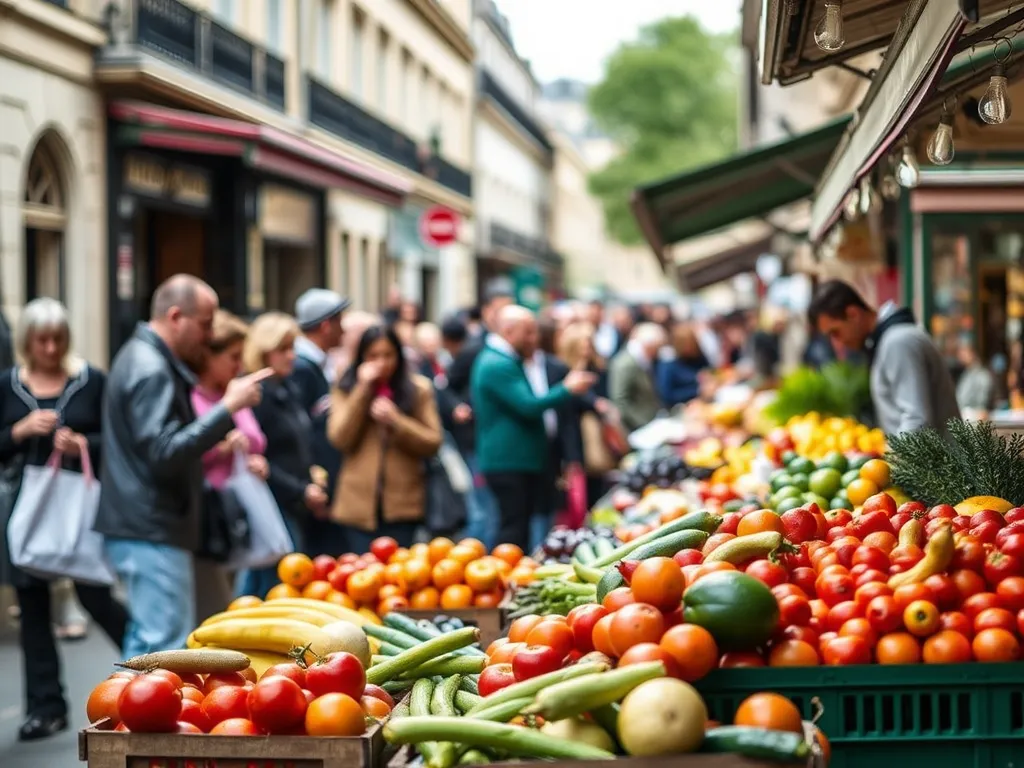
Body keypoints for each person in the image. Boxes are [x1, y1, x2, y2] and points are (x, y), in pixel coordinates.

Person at [97, 275, 270, 658]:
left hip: (148, 523)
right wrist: (228, 408)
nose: (208, 336)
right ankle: (126, 717)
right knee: (161, 646)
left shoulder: (145, 359)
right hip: (151, 524)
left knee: (153, 642)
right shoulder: (151, 366)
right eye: (205, 323)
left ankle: (122, 714)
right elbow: (163, 452)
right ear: (176, 317)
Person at [0, 298, 127, 741]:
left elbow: (118, 437)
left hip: (79, 507)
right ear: (27, 342)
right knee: (32, 606)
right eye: (42, 340)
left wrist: (83, 445)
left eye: (58, 339)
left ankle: (148, 670)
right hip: (26, 510)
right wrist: (18, 432)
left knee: (97, 596)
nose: (51, 349)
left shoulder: (91, 380)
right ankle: (45, 707)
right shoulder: (8, 385)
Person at [470, 306, 594, 549]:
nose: (534, 339)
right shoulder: (497, 363)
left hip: (517, 460)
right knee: (513, 529)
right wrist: (566, 389)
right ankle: (504, 579)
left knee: (519, 526)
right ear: (507, 331)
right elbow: (528, 405)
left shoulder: (503, 359)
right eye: (527, 332)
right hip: (508, 461)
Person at [328, 325, 442, 552]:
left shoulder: (418, 389)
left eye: (388, 355)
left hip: (403, 506)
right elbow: (339, 438)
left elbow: (433, 441)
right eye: (373, 356)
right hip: (357, 506)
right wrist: (362, 391)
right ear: (361, 358)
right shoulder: (346, 388)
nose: (381, 363)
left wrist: (396, 421)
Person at [242, 312, 327, 597]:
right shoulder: (258, 395)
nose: (291, 356)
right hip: (274, 505)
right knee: (272, 589)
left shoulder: (287, 388)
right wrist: (302, 490)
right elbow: (259, 461)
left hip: (292, 503)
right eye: (283, 349)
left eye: (292, 348)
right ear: (264, 352)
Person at [191, 310, 269, 621]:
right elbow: (188, 450)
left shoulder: (232, 390)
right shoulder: (192, 396)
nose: (239, 366)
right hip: (209, 516)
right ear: (209, 356)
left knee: (231, 603)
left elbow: (256, 440)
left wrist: (255, 459)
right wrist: (224, 446)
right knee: (215, 610)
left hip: (238, 513)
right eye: (233, 357)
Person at [808, 280, 961, 435]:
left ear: (853, 314)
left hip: (937, 459)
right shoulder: (891, 340)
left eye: (835, 332)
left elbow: (916, 420)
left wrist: (892, 458)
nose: (837, 343)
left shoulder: (897, 342)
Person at [445, 288, 513, 548]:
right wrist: (457, 407)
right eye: (499, 310)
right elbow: (446, 385)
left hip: (499, 442)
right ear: (486, 313)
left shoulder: (507, 347)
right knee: (484, 509)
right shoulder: (475, 348)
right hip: (476, 440)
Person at [291, 288, 349, 558]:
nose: (344, 329)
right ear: (326, 325)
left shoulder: (316, 365)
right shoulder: (302, 368)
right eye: (340, 321)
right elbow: (304, 432)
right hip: (316, 487)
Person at [524, 319, 584, 550]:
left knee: (548, 508)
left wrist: (572, 459)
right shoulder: (511, 366)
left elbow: (567, 419)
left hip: (552, 449)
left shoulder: (555, 367)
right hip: (527, 449)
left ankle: (542, 551)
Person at [608, 323, 666, 433]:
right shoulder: (625, 363)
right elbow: (620, 400)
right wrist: (642, 424)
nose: (657, 353)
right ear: (649, 346)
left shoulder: (641, 360)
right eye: (656, 349)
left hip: (650, 422)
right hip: (639, 428)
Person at [657, 322, 710, 408]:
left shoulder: (698, 356)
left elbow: (708, 370)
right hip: (682, 408)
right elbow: (667, 396)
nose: (690, 347)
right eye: (687, 344)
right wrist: (697, 391)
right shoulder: (669, 364)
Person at [955, 343, 995, 418]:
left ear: (972, 353)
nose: (961, 355)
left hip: (974, 416)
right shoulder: (966, 373)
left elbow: (983, 403)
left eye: (964, 351)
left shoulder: (982, 374)